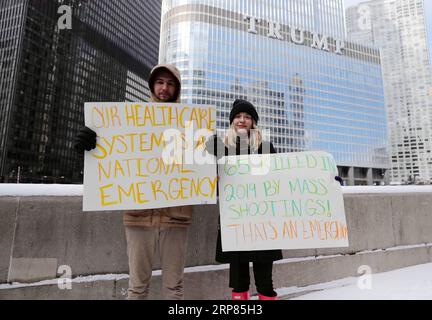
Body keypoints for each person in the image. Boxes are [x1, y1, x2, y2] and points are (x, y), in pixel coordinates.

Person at [74, 64, 192, 300]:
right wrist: (89, 144)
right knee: (137, 288)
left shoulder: (192, 125)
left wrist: (212, 149)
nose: (164, 88)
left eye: (170, 83)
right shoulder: (129, 121)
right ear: (151, 86)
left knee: (174, 289)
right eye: (159, 82)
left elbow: (211, 168)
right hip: (138, 214)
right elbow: (110, 157)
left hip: (176, 216)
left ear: (177, 89)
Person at [206, 99, 283, 300]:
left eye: (247, 117)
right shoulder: (222, 147)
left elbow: (280, 176)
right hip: (236, 219)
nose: (242, 120)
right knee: (238, 279)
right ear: (232, 121)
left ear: (253, 122)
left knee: (265, 279)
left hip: (262, 219)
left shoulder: (265, 146)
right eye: (238, 116)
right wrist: (210, 149)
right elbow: (211, 175)